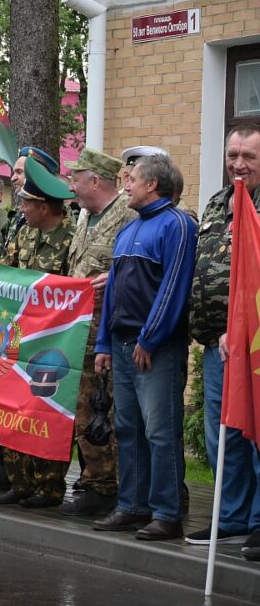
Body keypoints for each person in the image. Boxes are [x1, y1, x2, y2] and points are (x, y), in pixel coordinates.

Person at [92, 154, 196, 541]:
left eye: (131, 178)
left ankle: (167, 513)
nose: (126, 184)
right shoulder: (128, 230)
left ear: (152, 184)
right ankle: (133, 505)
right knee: (128, 428)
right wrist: (104, 342)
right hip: (121, 345)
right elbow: (113, 292)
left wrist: (150, 338)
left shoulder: (178, 225)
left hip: (155, 348)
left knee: (160, 431)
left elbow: (174, 287)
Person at [187, 124, 260, 556]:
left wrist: (243, 325)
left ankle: (259, 522)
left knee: (257, 433)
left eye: (249, 156)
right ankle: (230, 518)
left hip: (254, 344)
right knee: (225, 434)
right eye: (233, 155)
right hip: (217, 344)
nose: (239, 164)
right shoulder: (218, 202)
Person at [0, 157, 77, 508]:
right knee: (14, 408)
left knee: (46, 410)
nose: (21, 208)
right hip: (19, 337)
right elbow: (4, 274)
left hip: (55, 341)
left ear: (43, 207)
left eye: (26, 203)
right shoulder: (24, 233)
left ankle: (49, 487)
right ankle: (20, 482)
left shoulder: (72, 237)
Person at [60, 148, 136, 517]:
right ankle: (97, 483)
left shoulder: (129, 216)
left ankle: (124, 489)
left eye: (75, 178)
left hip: (113, 334)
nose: (70, 186)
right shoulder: (84, 216)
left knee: (116, 416)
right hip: (81, 334)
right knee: (86, 414)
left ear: (95, 181)